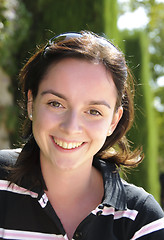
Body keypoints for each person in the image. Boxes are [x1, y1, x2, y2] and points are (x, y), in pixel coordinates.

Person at [0, 31, 164, 240]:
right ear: (32, 103)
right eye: (56, 104)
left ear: (113, 121)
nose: (71, 127)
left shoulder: (141, 220)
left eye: (94, 111)